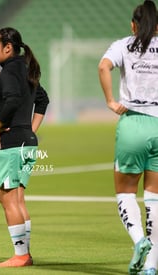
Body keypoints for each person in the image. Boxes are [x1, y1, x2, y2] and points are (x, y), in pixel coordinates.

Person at [98, 1, 158, 274]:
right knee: (154, 198)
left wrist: (111, 101)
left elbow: (103, 67)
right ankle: (151, 266)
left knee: (125, 192)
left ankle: (138, 240)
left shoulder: (124, 44)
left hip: (133, 122)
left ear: (133, 25)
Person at [0, 27, 49, 268]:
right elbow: (43, 100)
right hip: (26, 142)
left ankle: (21, 255)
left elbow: (12, 100)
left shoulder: (9, 72)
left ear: (8, 48)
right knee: (19, 199)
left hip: (10, 145)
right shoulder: (26, 69)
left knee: (9, 200)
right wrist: (29, 129)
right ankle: (26, 254)